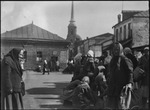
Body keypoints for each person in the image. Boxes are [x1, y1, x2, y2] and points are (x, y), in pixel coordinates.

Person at [106, 42, 133, 109]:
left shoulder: (124, 60)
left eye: (117, 49)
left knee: (122, 106)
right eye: (114, 49)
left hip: (122, 88)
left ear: (121, 50)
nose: (115, 51)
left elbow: (130, 72)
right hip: (113, 88)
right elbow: (111, 71)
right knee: (112, 106)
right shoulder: (113, 60)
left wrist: (130, 83)